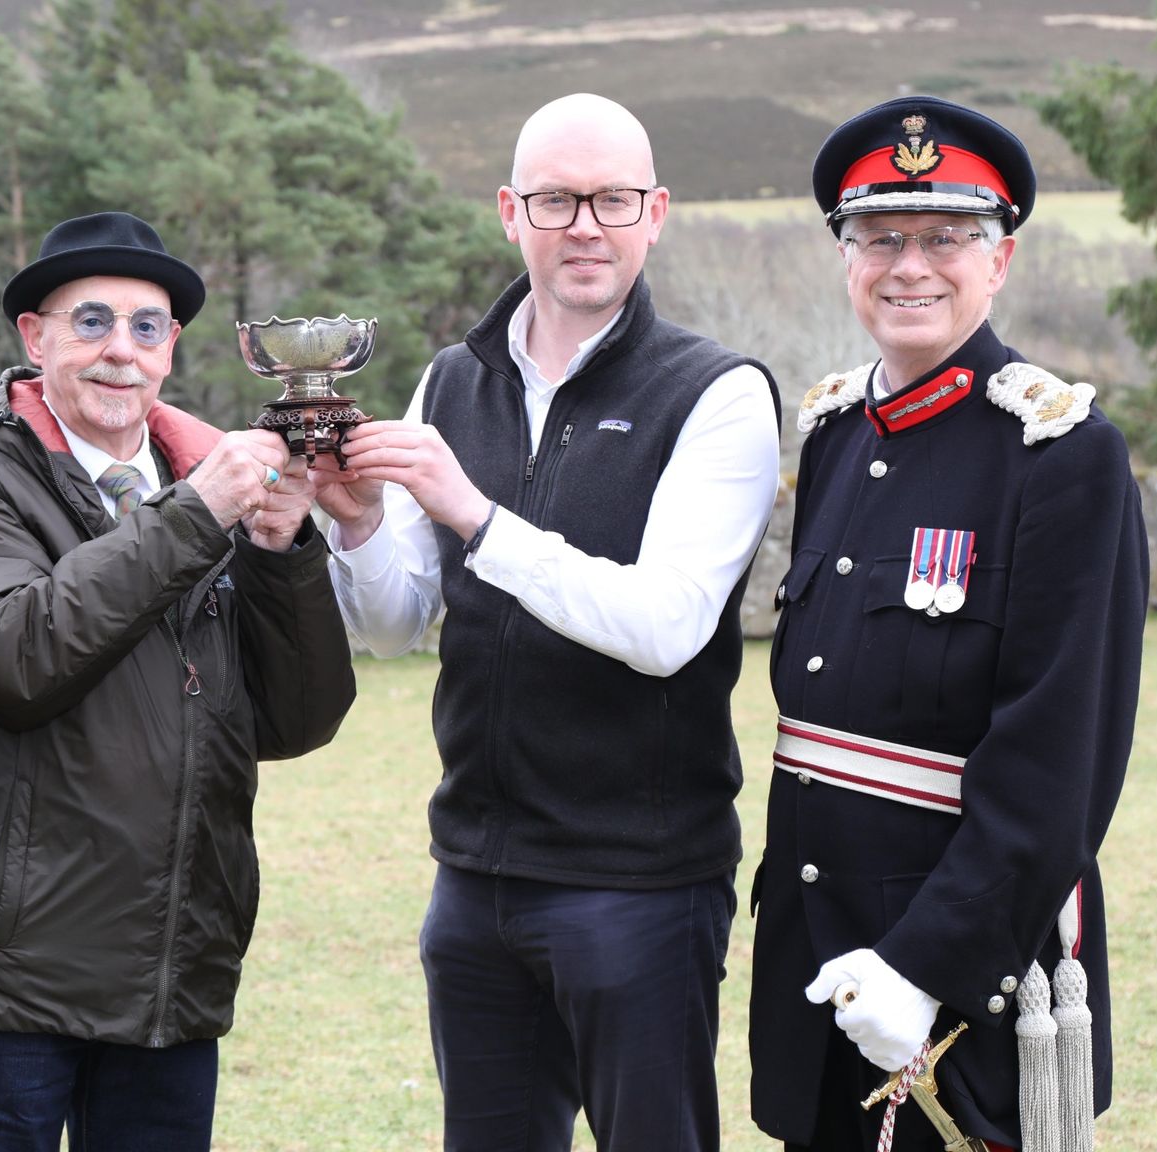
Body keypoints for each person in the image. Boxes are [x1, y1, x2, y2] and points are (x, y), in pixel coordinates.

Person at [313, 93, 781, 1150]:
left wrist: (477, 517)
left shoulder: (716, 394)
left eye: (610, 199)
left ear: (654, 213)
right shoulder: (451, 379)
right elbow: (396, 628)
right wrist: (352, 528)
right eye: (555, 199)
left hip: (638, 886)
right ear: (507, 213)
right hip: (471, 879)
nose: (583, 224)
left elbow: (664, 627)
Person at [0, 211, 357, 1151]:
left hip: (170, 969)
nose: (119, 352)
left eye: (146, 328)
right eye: (90, 321)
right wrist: (197, 516)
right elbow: (13, 657)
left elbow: (299, 719)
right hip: (4, 982)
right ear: (36, 337)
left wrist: (279, 550)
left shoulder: (205, 485)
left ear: (171, 348)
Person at [747, 96, 1149, 1152]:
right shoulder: (833, 433)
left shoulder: (1059, 453)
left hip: (963, 964)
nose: (908, 265)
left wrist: (924, 965)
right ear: (846, 257)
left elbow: (1056, 763)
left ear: (999, 259)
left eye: (944, 238)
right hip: (812, 943)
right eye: (879, 238)